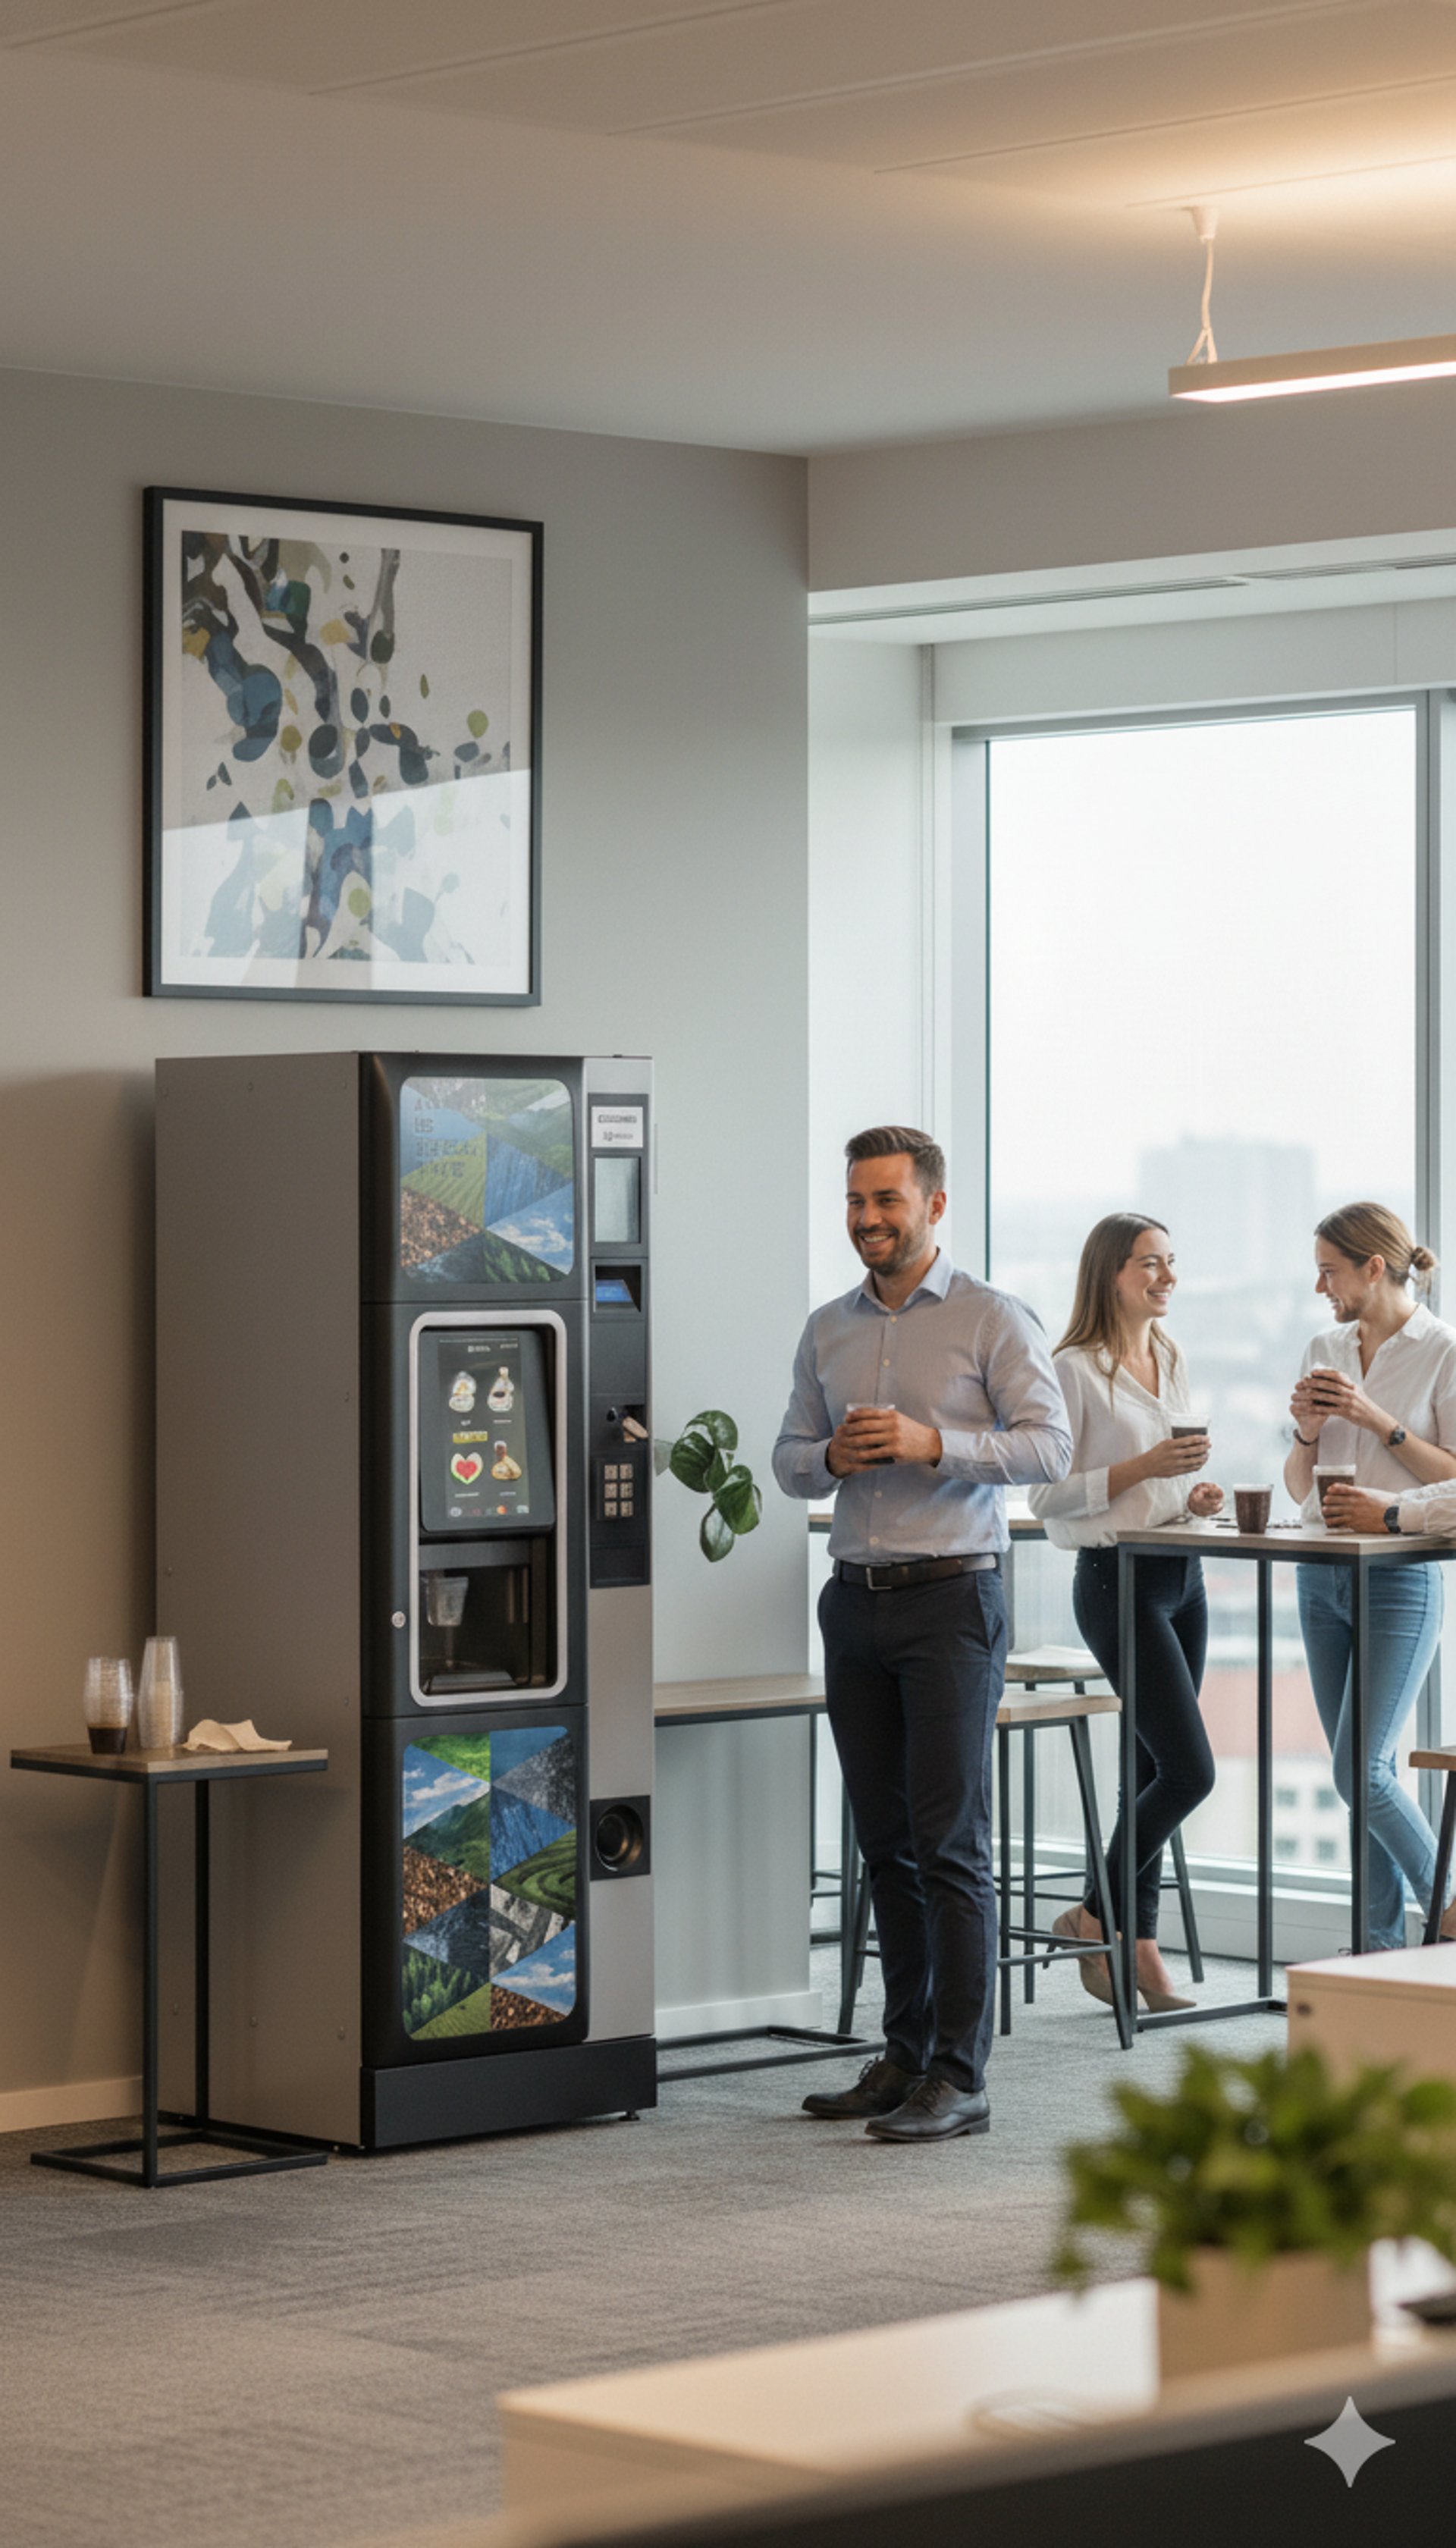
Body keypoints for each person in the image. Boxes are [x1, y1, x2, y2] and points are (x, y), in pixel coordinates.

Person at [774, 1126, 1072, 2144]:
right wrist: (836, 1457)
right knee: (884, 1843)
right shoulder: (827, 1329)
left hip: (953, 1600)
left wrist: (930, 1442)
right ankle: (902, 2055)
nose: (867, 1219)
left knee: (950, 1843)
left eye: (887, 1202)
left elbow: (1050, 1446)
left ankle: (960, 2072)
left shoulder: (993, 1318)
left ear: (934, 1207)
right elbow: (787, 1463)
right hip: (855, 1600)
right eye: (856, 1202)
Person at [1028, 1215, 1220, 2013]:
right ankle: (1093, 1914)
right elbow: (1045, 1497)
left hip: (1184, 1572)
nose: (1166, 1277)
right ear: (1112, 1274)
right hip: (1117, 1580)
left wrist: (1193, 1494)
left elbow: (1164, 1484)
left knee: (1148, 1772)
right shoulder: (1073, 1370)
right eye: (1151, 1264)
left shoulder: (1168, 1355)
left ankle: (1138, 1949)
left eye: (1172, 1263)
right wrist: (1143, 1467)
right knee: (1190, 1772)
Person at [1285, 1203, 1456, 1950]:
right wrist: (1307, 1430)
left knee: (1362, 1770)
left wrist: (1373, 1414)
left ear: (1373, 1267)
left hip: (1401, 1578)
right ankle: (1378, 1959)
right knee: (1362, 1776)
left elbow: (1453, 1476)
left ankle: (1446, 1905)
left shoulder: (1442, 1349)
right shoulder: (1324, 1345)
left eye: (1330, 1269)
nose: (1322, 1285)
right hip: (1322, 1576)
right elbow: (1299, 1487)